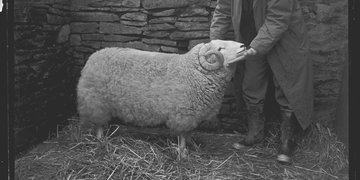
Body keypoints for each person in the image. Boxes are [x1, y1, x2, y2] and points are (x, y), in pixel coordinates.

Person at [210, 0, 314, 164]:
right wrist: (214, 43)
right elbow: (223, 9)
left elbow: (278, 19)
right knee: (251, 84)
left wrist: (256, 46)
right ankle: (255, 134)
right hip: (252, 40)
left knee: (287, 85)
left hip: (285, 39)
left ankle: (287, 141)